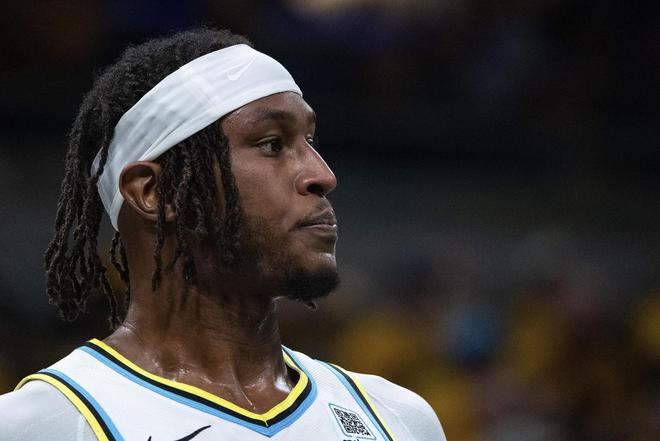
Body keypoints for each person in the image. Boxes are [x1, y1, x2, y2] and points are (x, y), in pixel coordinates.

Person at [0, 28, 446, 440]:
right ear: (155, 192)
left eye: (309, 142)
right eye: (272, 144)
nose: (322, 175)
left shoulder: (397, 419)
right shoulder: (43, 423)